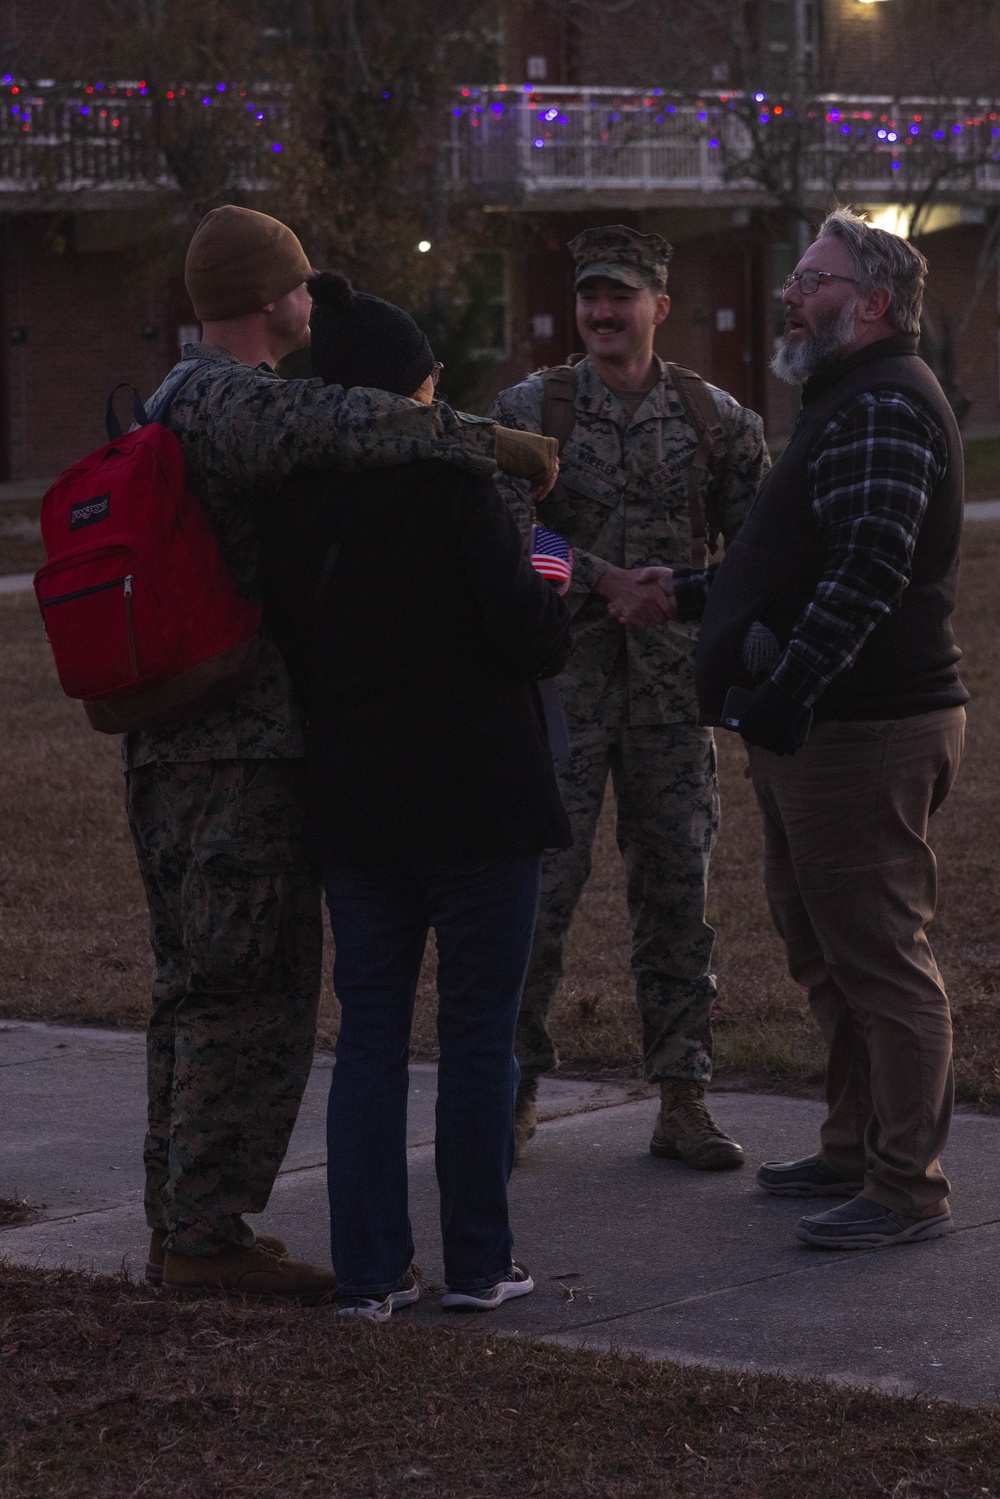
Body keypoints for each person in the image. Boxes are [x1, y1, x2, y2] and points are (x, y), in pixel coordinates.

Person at [128, 205, 558, 1301]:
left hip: (179, 740)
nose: (310, 303)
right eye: (299, 285)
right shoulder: (242, 402)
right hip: (236, 749)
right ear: (272, 298)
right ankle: (200, 1234)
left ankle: (188, 1216)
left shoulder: (176, 396)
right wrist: (495, 445)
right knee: (244, 988)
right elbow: (368, 425)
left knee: (198, 987)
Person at [259, 273, 572, 1319]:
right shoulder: (456, 490)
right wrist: (552, 588)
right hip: (479, 802)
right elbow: (526, 632)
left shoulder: (296, 509)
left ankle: (366, 1267)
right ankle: (478, 1261)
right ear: (409, 389)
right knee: (480, 1035)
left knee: (371, 1036)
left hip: (357, 806)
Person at [683, 207, 967, 1248]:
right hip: (821, 728)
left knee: (881, 958)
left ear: (874, 303)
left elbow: (867, 569)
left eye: (812, 278)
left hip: (864, 728)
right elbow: (790, 563)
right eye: (794, 277)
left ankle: (905, 1187)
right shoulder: (842, 399)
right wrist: (672, 590)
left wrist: (783, 696)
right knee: (827, 950)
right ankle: (852, 1144)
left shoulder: (885, 403)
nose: (789, 294)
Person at [490, 225, 769, 1170]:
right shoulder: (533, 411)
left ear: (660, 304)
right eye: (589, 298)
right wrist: (601, 576)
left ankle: (682, 1097)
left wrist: (699, 612)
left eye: (621, 296)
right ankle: (512, 1090)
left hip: (669, 701)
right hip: (557, 699)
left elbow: (759, 557)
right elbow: (502, 539)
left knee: (677, 895)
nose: (603, 314)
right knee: (536, 897)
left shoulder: (716, 418)